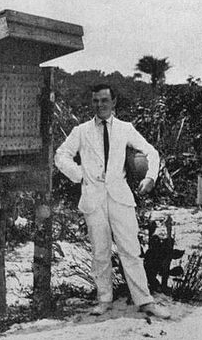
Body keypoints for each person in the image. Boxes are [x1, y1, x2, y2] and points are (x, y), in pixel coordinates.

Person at [55, 83, 170, 318]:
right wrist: (79, 175)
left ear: (114, 102)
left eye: (104, 100)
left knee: (131, 250)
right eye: (96, 101)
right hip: (93, 198)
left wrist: (150, 177)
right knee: (100, 252)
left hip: (120, 198)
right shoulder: (81, 130)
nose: (100, 105)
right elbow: (61, 155)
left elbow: (152, 152)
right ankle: (104, 300)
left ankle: (145, 301)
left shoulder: (125, 129)